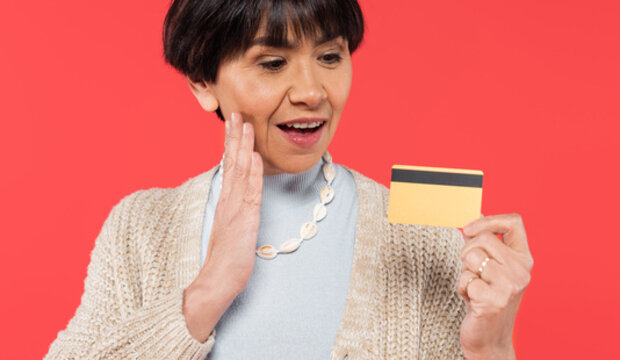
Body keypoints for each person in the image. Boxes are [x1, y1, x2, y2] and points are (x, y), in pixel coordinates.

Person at [44, 0, 533, 358]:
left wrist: (492, 347)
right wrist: (208, 291)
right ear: (202, 82)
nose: (312, 92)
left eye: (330, 57)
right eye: (273, 63)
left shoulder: (421, 238)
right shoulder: (141, 227)